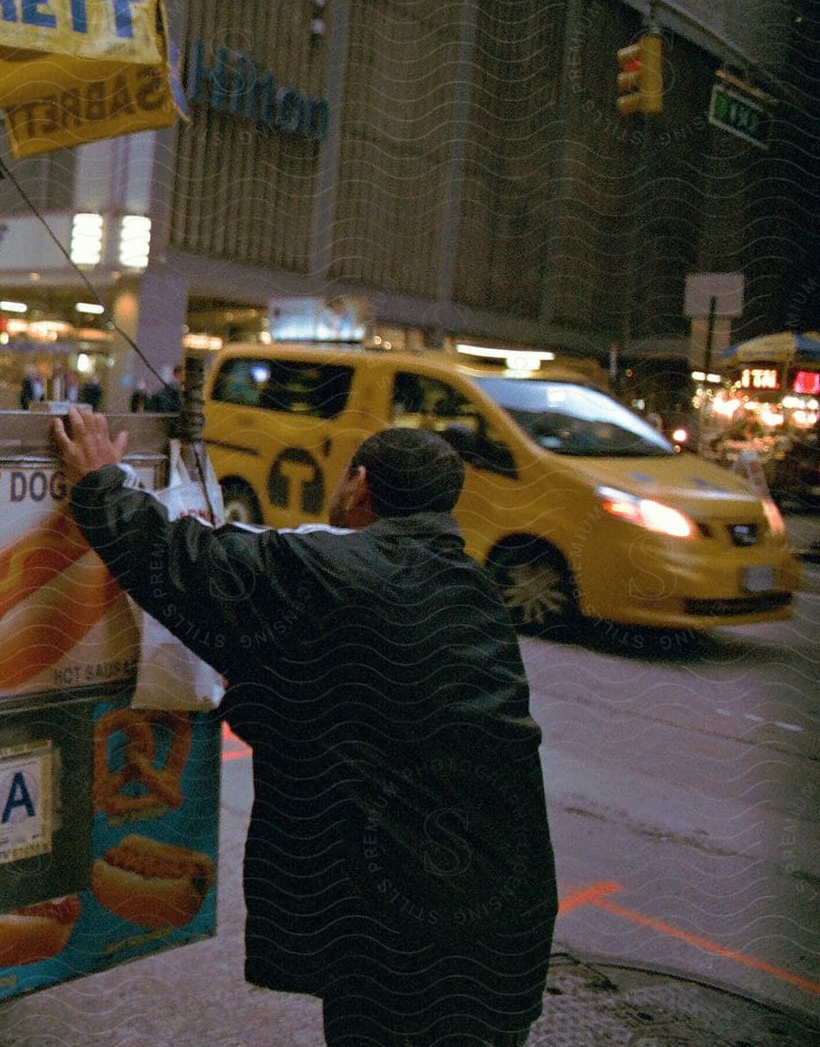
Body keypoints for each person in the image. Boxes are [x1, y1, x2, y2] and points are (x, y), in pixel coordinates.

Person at [52, 416, 556, 1047]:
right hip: (505, 924)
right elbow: (356, 704)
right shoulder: (469, 587)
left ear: (360, 485)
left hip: (404, 941)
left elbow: (189, 564)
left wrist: (100, 485)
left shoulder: (336, 569)